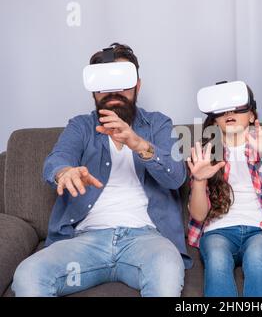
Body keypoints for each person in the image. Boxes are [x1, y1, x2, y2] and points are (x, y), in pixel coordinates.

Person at [12, 43, 190, 297]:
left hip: (146, 240)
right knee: (28, 275)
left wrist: (137, 143)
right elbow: (58, 158)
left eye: (121, 81)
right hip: (85, 242)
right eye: (104, 83)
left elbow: (176, 177)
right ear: (93, 89)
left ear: (137, 85)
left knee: (167, 271)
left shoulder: (159, 124)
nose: (113, 91)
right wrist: (64, 172)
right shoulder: (81, 126)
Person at [187, 82, 262, 296]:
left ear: (251, 115)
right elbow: (198, 215)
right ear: (215, 119)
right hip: (217, 232)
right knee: (217, 259)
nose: (230, 112)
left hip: (261, 230)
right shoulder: (206, 154)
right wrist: (199, 180)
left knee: (257, 257)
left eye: (237, 107)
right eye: (223, 109)